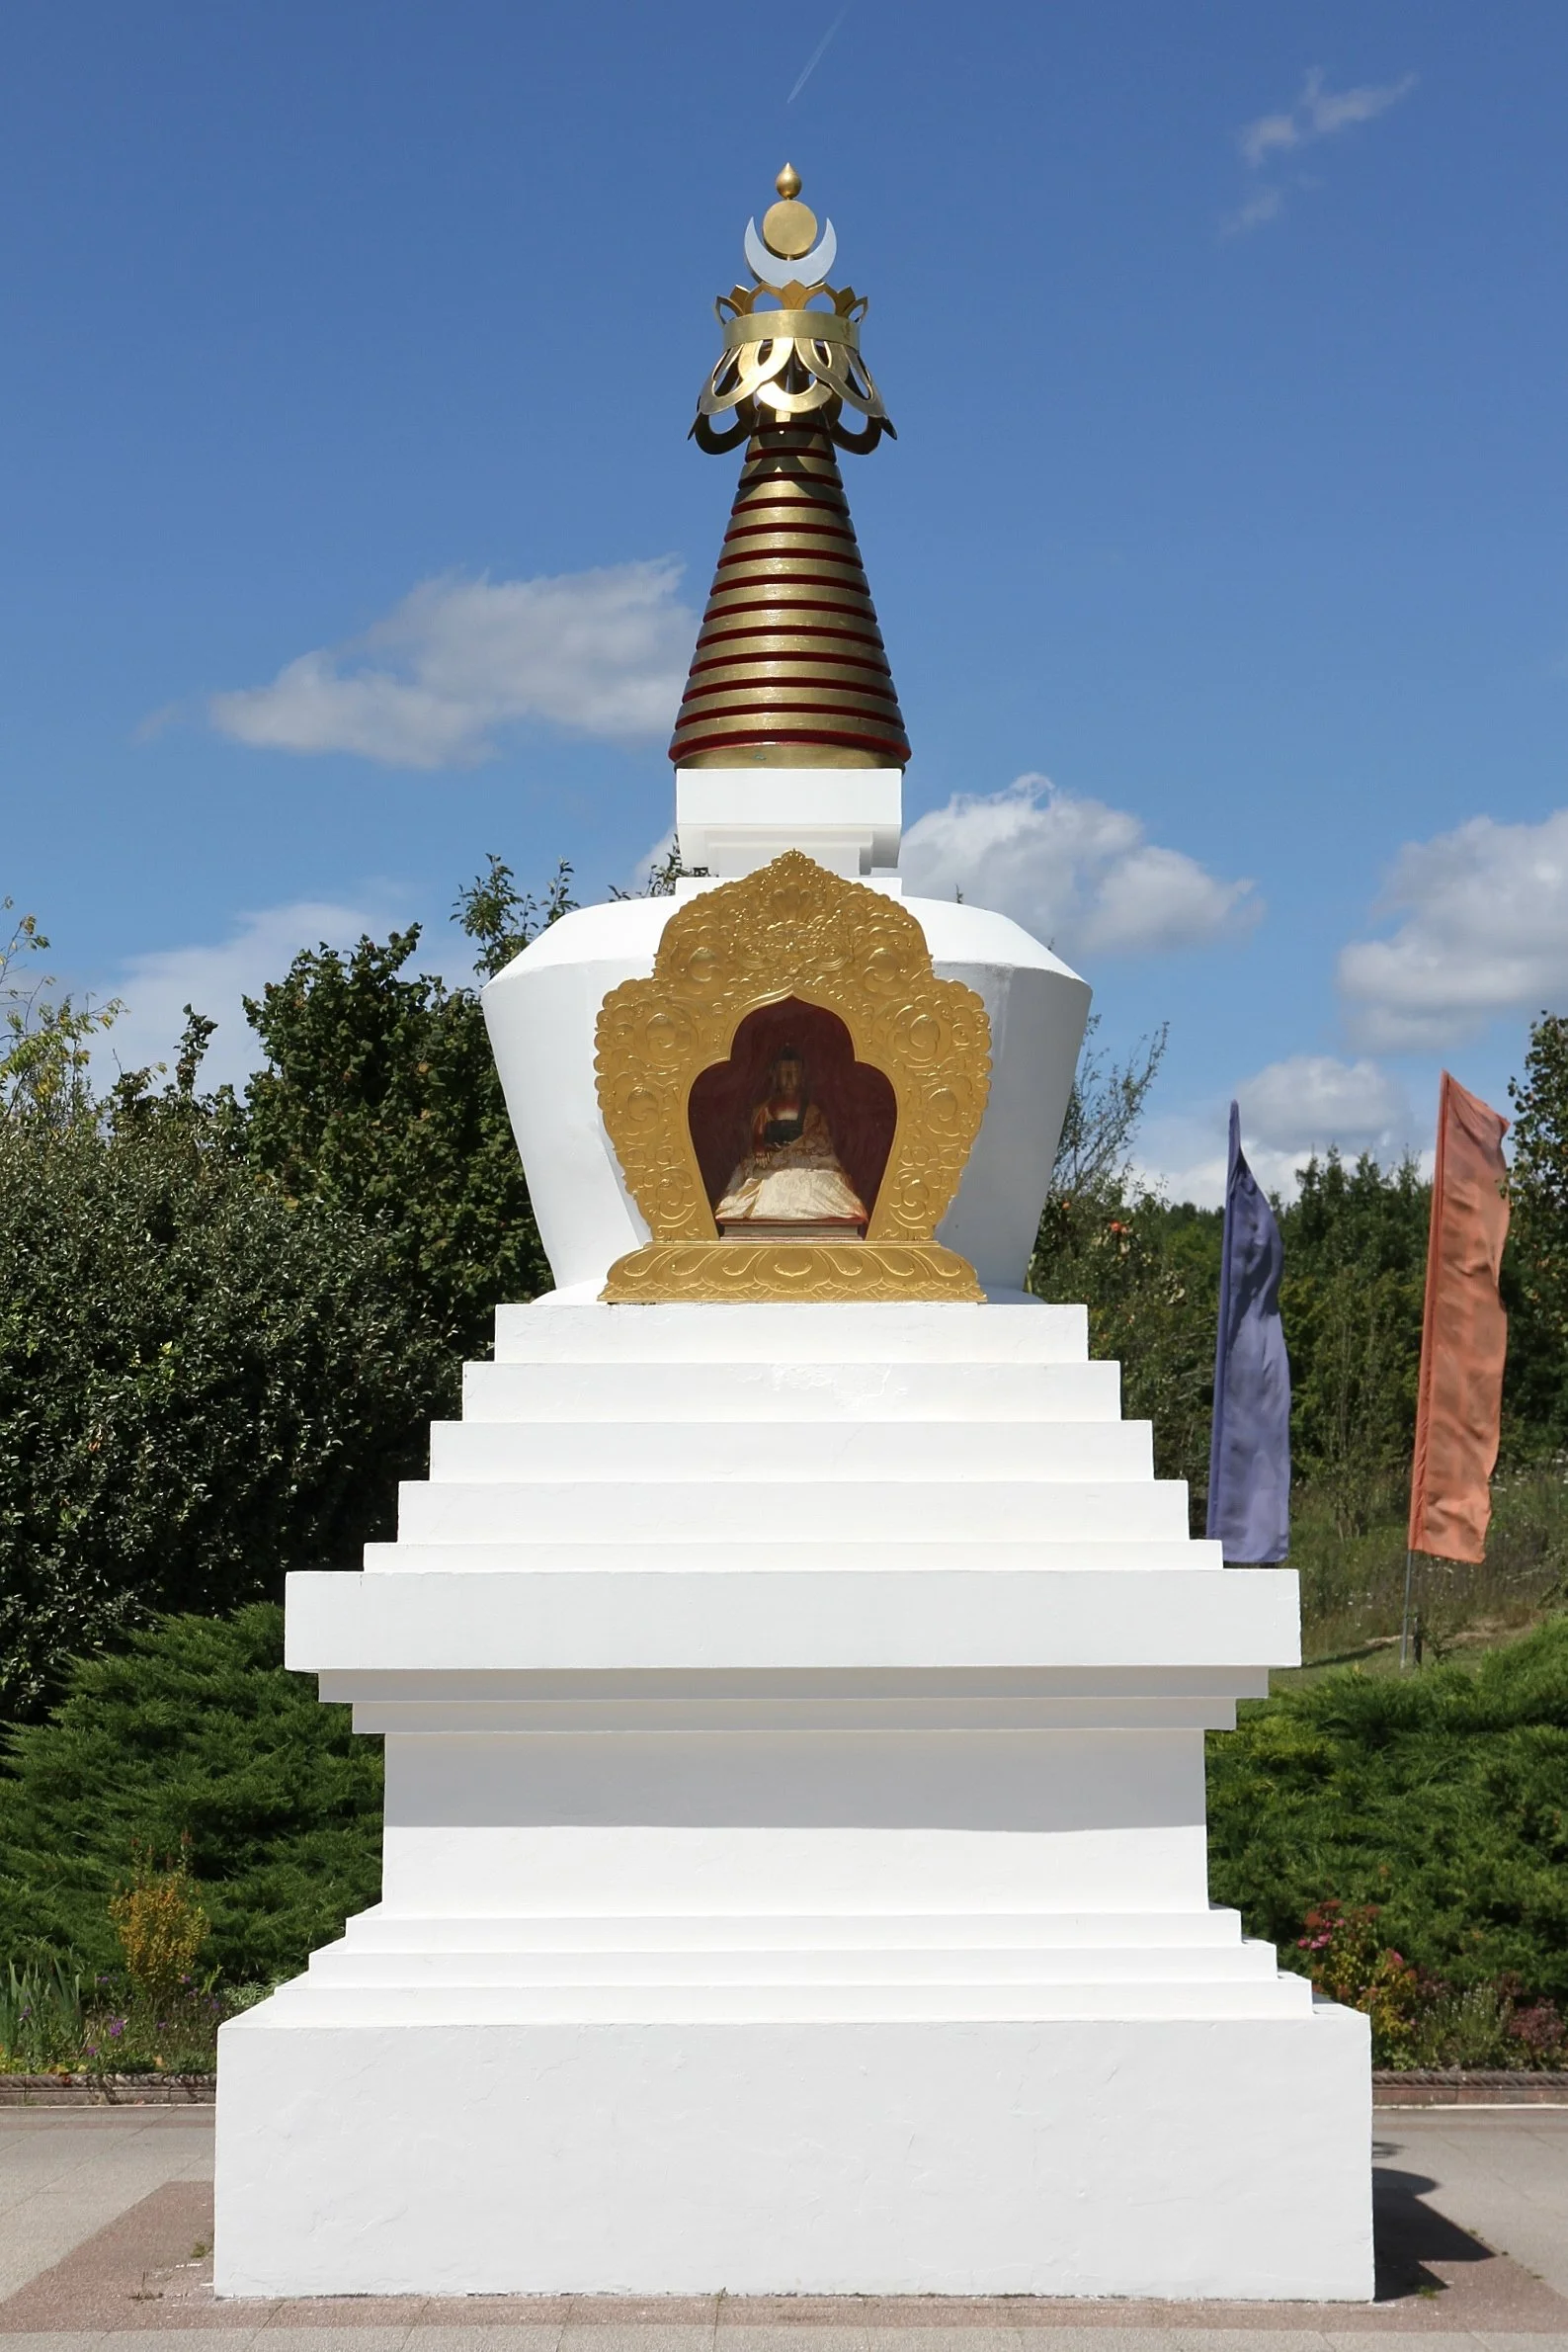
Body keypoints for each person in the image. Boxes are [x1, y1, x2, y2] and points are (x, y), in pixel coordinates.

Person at [714, 1046, 868, 1233]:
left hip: (806, 1162)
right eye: (784, 1073)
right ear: (775, 1075)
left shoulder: (812, 1112)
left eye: (794, 1073)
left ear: (802, 1076)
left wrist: (796, 1152)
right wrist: (760, 1148)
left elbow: (821, 1142)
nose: (789, 1079)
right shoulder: (764, 1109)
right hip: (770, 1162)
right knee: (761, 1184)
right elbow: (756, 1137)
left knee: (827, 1180)